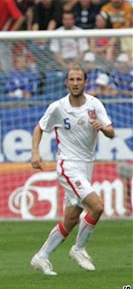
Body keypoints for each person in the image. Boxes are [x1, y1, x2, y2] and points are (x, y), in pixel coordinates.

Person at [30, 65, 115, 276]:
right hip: (68, 166)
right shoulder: (58, 107)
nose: (75, 83)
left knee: (71, 219)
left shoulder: (95, 104)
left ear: (85, 82)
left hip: (87, 166)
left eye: (79, 79)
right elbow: (40, 127)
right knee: (97, 207)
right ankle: (78, 249)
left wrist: (102, 128)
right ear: (66, 82)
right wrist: (35, 154)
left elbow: (111, 132)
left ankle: (41, 257)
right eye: (72, 79)